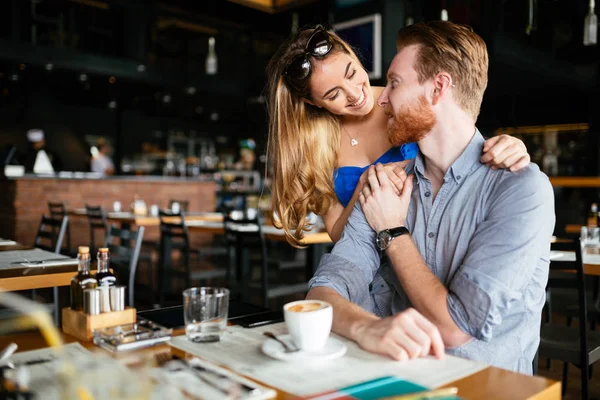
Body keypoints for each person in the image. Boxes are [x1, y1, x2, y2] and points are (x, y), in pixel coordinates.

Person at [306, 21, 555, 374]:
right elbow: (321, 292)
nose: (383, 98)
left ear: (438, 88)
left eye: (394, 83)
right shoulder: (385, 184)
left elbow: (456, 327)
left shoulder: (520, 189)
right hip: (395, 380)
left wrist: (392, 232)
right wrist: (368, 327)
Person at [266, 25, 531, 246]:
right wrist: (363, 188)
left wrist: (508, 145)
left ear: (353, 55)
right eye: (333, 94)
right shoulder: (316, 144)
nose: (354, 93)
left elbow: (465, 151)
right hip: (371, 271)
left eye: (352, 73)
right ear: (314, 103)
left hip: (437, 251)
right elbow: (338, 234)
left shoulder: (407, 99)